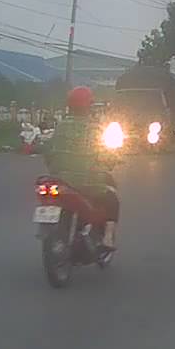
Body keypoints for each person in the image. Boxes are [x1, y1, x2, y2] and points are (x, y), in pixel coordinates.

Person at [44, 86, 120, 250]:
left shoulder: (60, 127)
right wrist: (113, 159)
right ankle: (107, 238)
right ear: (89, 106)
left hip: (60, 181)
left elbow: (47, 151)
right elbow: (106, 154)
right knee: (111, 198)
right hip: (87, 183)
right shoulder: (95, 128)